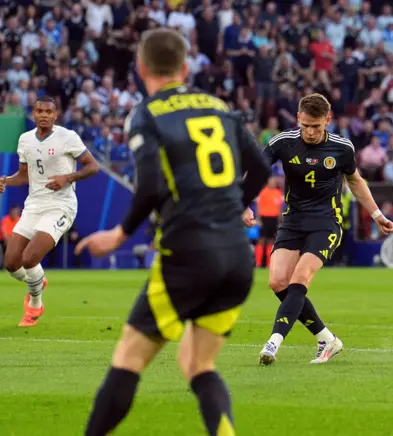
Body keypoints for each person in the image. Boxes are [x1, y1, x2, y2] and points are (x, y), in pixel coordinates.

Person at [76, 28, 270, 436]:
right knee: (198, 364)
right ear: (185, 68)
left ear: (141, 67)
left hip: (187, 253)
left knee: (129, 358)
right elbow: (263, 168)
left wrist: (119, 234)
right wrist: (235, 204)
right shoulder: (221, 108)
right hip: (237, 256)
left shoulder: (147, 114)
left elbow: (148, 185)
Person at [242, 93, 393, 366]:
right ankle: (326, 338)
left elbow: (356, 181)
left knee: (300, 278)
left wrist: (376, 214)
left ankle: (273, 343)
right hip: (293, 221)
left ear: (328, 120)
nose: (311, 132)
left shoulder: (341, 148)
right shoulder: (283, 142)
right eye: (306, 126)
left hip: (326, 222)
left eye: (317, 126)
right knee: (278, 282)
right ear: (298, 118)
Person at [0, 95, 99, 327]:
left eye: (48, 112)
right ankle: (37, 281)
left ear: (55, 115)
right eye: (39, 111)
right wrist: (6, 181)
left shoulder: (67, 137)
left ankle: (35, 304)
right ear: (34, 114)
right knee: (12, 264)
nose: (43, 115)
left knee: (30, 258)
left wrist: (67, 178)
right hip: (34, 205)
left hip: (61, 206)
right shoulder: (25, 140)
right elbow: (24, 175)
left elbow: (93, 166)